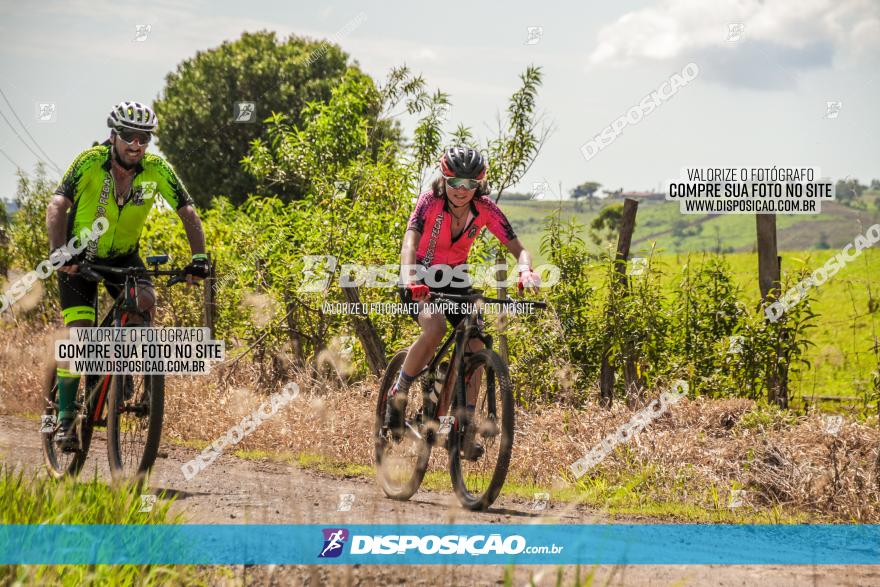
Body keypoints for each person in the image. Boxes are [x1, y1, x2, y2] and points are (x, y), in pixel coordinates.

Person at [45, 101, 209, 449]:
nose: (137, 144)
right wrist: (60, 253)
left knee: (146, 302)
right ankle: (63, 420)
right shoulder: (90, 162)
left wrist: (199, 259)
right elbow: (57, 205)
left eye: (144, 138)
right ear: (114, 135)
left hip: (123, 256)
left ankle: (144, 386)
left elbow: (187, 210)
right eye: (130, 136)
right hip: (79, 257)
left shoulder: (157, 169)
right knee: (81, 340)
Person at [386, 146, 541, 456]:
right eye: (455, 182)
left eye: (470, 184)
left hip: (456, 280)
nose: (461, 190)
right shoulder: (430, 201)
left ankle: (463, 428)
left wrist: (525, 270)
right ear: (444, 179)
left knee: (477, 348)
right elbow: (409, 242)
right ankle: (398, 392)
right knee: (435, 328)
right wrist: (412, 277)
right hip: (417, 275)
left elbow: (519, 248)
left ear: (479, 185)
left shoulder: (485, 208)